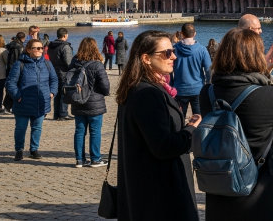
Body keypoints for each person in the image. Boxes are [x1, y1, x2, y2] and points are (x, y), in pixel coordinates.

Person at [199, 28, 273, 221]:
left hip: (223, 184)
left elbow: (239, 88)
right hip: (262, 189)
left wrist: (262, 74)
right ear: (254, 56)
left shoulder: (208, 93)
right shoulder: (268, 96)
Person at [115, 30, 202, 221]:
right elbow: (163, 146)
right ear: (146, 58)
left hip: (148, 188)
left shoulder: (139, 88)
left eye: (172, 51)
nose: (174, 56)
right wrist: (191, 129)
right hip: (159, 193)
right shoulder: (148, 94)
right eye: (166, 53)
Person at [6, 38, 58, 161]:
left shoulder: (47, 63)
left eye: (41, 48)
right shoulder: (20, 64)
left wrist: (52, 92)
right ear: (29, 50)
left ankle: (34, 149)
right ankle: (19, 150)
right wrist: (17, 96)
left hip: (41, 101)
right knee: (21, 128)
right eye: (37, 48)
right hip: (23, 102)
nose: (41, 50)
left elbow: (54, 79)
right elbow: (10, 83)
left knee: (37, 127)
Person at [69, 37, 110, 168]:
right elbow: (105, 86)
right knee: (95, 130)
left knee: (79, 131)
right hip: (94, 101)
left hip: (78, 100)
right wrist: (104, 92)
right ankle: (95, 159)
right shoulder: (97, 64)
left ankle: (79, 160)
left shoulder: (75, 62)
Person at [172, 23, 213, 117]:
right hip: (197, 89)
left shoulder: (175, 49)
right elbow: (208, 69)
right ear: (194, 33)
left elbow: (169, 71)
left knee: (179, 119)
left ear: (181, 33)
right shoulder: (202, 50)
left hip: (179, 89)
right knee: (198, 119)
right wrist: (208, 85)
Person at [48, 28, 74, 121]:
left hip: (54, 71)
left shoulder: (51, 46)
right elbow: (68, 62)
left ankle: (56, 114)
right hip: (64, 72)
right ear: (65, 35)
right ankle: (63, 113)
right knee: (64, 92)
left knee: (57, 92)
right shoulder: (65, 46)